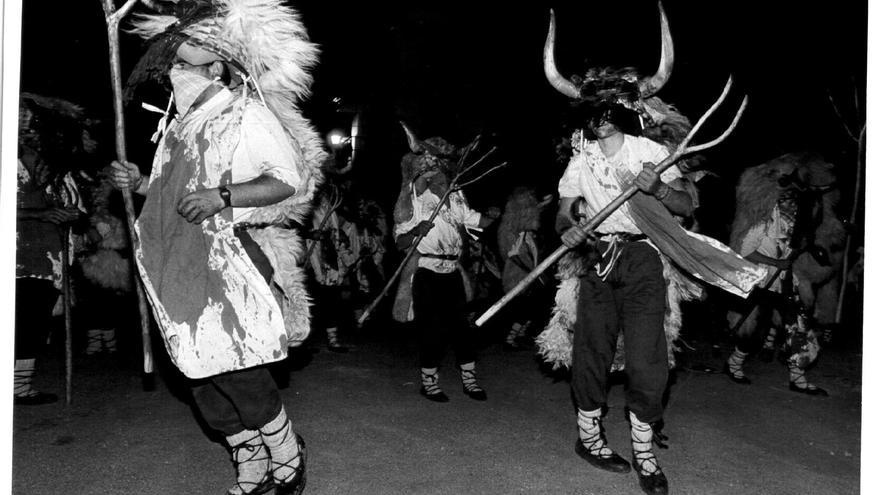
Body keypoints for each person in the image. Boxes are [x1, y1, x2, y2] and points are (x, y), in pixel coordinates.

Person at [538, 6, 766, 494]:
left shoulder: (652, 153)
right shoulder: (581, 157)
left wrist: (659, 191)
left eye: (607, 111)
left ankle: (643, 448)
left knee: (648, 359)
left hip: (645, 260)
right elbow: (564, 209)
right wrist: (569, 230)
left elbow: (685, 204)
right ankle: (590, 438)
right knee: (591, 352)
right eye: (592, 112)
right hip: (596, 258)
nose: (599, 121)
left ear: (623, 111)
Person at [111, 2, 325, 493]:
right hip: (175, 263)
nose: (171, 75)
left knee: (236, 367)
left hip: (226, 258)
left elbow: (285, 182)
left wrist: (222, 196)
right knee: (197, 374)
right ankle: (249, 463)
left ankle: (287, 455)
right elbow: (174, 194)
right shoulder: (177, 127)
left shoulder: (244, 113)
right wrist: (141, 181)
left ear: (215, 66)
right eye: (169, 67)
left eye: (180, 65)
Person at [392, 128, 500, 403]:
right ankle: (429, 382)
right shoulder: (413, 198)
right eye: (430, 164)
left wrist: (494, 215)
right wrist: (417, 230)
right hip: (426, 271)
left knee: (462, 327)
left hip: (452, 271)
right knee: (432, 329)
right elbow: (400, 243)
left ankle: (469, 380)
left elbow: (476, 221)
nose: (436, 169)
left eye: (439, 164)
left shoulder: (455, 194)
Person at [15, 96, 86, 405]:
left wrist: (71, 214)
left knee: (33, 318)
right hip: (15, 252)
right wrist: (36, 214)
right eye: (19, 118)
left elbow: (78, 209)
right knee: (18, 317)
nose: (26, 125)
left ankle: (19, 386)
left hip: (46, 257)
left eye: (31, 119)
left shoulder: (53, 166)